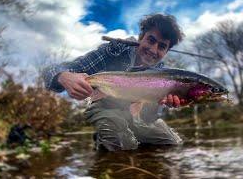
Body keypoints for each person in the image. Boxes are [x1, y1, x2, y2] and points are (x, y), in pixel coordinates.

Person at [42, 13, 185, 151]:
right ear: (141, 38)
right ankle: (106, 139)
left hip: (138, 117)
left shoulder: (164, 76)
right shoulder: (113, 51)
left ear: (166, 52)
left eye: (161, 46)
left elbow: (150, 118)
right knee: (121, 143)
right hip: (106, 109)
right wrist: (63, 76)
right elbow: (50, 70)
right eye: (151, 40)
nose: (153, 50)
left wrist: (165, 103)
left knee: (172, 145)